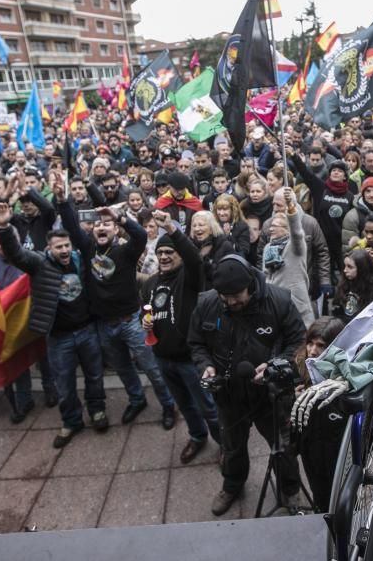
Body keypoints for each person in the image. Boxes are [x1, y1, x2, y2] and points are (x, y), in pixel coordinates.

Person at [188, 255, 307, 516]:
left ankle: (290, 490)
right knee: (232, 447)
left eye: (236, 295)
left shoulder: (280, 301)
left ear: (250, 284)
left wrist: (276, 365)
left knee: (283, 448)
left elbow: (299, 343)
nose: (230, 302)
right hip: (229, 397)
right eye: (224, 296)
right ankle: (232, 485)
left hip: (271, 396)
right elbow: (196, 343)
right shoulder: (207, 303)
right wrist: (205, 365)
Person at [56, 184, 178, 430]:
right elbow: (70, 226)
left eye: (107, 224)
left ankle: (168, 405)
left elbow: (141, 236)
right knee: (123, 370)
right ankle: (137, 399)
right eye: (98, 225)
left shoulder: (126, 251)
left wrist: (120, 217)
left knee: (151, 369)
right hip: (104, 325)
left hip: (131, 321)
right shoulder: (88, 248)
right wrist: (61, 200)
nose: (102, 227)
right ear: (93, 231)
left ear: (115, 230)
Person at [0, 201, 103, 447]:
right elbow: (16, 254)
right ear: (49, 249)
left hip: (87, 330)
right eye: (58, 247)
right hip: (59, 337)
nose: (64, 250)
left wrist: (63, 202)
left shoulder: (80, 259)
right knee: (64, 384)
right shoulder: (39, 264)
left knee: (94, 376)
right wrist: (3, 227)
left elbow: (79, 232)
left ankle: (97, 411)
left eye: (66, 245)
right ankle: (71, 421)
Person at [141, 210, 221, 464]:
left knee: (208, 406)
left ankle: (225, 444)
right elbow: (147, 312)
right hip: (163, 358)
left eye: (169, 253)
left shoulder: (189, 276)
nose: (164, 257)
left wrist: (172, 230)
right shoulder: (150, 284)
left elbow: (195, 259)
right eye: (160, 253)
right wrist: (144, 324)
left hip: (190, 359)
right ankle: (198, 437)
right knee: (185, 405)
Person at [291, 317, 347, 512]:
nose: (312, 350)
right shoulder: (300, 364)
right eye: (310, 343)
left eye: (320, 345)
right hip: (309, 443)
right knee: (319, 492)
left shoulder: (346, 374)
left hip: (336, 448)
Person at [263, 189, 313, 327]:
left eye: (276, 226)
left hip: (296, 304)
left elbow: (296, 231)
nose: (271, 229)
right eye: (271, 226)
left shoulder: (295, 246)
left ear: (286, 229)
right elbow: (266, 275)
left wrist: (291, 206)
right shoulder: (268, 247)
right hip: (274, 304)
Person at [333, 250, 373, 323]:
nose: (345, 270)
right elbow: (337, 309)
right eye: (345, 266)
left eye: (350, 267)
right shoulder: (344, 284)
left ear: (362, 269)